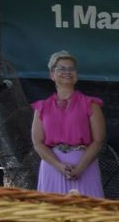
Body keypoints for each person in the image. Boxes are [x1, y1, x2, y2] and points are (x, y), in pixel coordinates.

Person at [29, 50, 106, 198]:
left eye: (71, 68)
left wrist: (80, 168)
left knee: (87, 215)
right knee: (53, 216)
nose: (67, 72)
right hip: (52, 166)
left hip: (84, 165)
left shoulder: (90, 103)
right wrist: (58, 166)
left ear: (76, 74)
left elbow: (98, 140)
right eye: (62, 68)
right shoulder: (42, 107)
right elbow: (37, 142)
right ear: (52, 74)